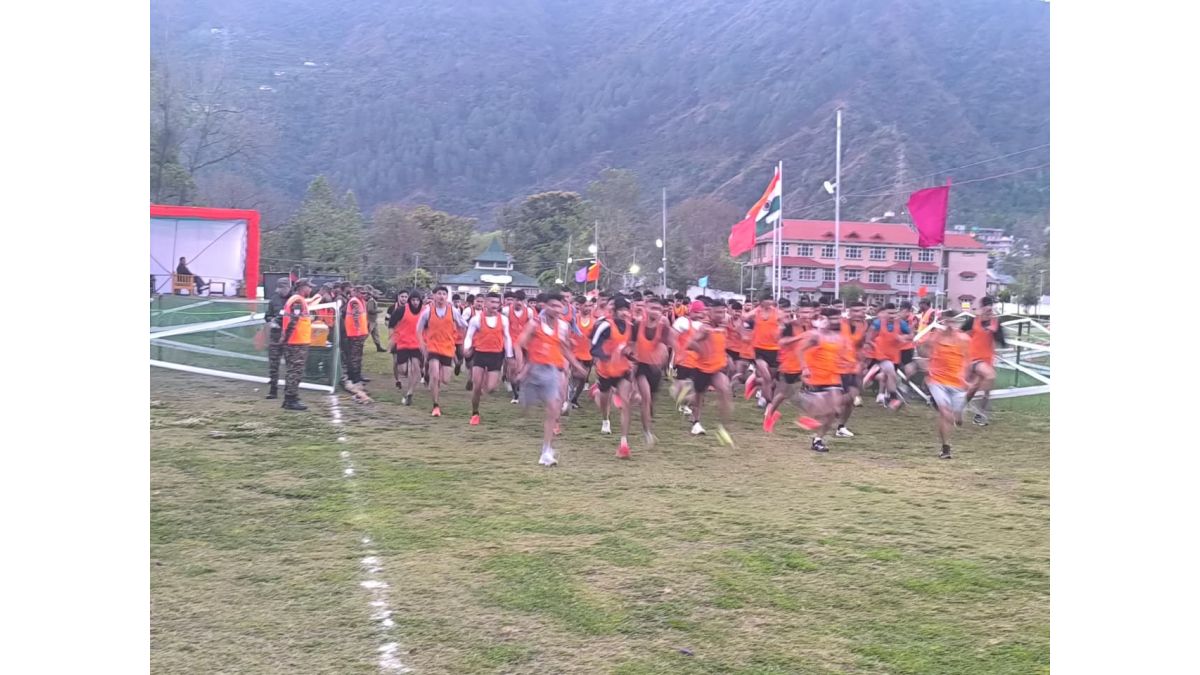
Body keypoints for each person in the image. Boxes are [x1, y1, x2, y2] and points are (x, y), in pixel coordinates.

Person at [516, 292, 583, 466]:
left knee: (554, 408)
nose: (556, 309)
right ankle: (525, 402)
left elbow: (564, 348)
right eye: (552, 305)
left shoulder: (563, 326)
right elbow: (520, 343)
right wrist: (522, 366)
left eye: (559, 306)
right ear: (544, 306)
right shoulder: (534, 324)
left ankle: (546, 451)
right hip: (534, 369)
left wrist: (576, 365)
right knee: (527, 407)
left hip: (552, 369)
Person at [918, 309, 971, 458]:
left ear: (957, 323)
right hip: (937, 380)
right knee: (945, 412)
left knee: (954, 415)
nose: (949, 325)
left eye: (952, 322)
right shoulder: (935, 336)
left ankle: (957, 414)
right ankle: (945, 448)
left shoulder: (964, 339)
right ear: (941, 322)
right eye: (946, 322)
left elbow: (968, 360)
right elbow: (922, 350)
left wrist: (966, 377)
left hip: (957, 382)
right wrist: (926, 358)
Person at [796, 308, 849, 452]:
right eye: (832, 319)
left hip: (833, 377)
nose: (835, 322)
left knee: (835, 410)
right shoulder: (816, 336)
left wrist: (844, 363)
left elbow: (839, 354)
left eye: (837, 319)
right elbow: (800, 350)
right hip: (816, 377)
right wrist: (804, 368)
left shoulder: (839, 337)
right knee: (823, 411)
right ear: (824, 319)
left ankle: (818, 439)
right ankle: (808, 416)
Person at [591, 296, 637, 458]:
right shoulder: (605, 325)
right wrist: (606, 357)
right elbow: (594, 347)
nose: (625, 313)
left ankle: (624, 443)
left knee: (625, 402)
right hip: (606, 370)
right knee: (605, 399)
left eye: (627, 310)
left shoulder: (631, 327)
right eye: (622, 310)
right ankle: (605, 420)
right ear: (615, 311)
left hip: (623, 369)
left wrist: (630, 355)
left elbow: (631, 347)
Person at [685, 300, 735, 446]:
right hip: (701, 369)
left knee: (725, 391)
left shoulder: (722, 327)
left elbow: (719, 345)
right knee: (699, 398)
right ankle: (696, 422)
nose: (721, 315)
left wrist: (727, 357)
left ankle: (724, 427)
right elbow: (690, 344)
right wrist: (701, 351)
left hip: (716, 370)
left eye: (723, 312)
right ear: (710, 312)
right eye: (718, 312)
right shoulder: (705, 329)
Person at [416, 286, 467, 417]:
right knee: (435, 376)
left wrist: (464, 340)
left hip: (448, 348)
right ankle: (436, 405)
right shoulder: (428, 311)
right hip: (432, 347)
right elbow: (419, 329)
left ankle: (430, 376)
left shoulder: (453, 311)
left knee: (445, 379)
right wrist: (422, 345)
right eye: (439, 293)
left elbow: (464, 325)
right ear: (434, 295)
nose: (441, 296)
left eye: (444, 294)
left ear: (447, 296)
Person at [464, 292, 514, 425]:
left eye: (497, 302)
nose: (494, 305)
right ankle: (475, 413)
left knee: (491, 388)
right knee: (476, 387)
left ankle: (485, 382)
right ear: (485, 303)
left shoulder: (503, 320)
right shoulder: (476, 319)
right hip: (480, 354)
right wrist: (467, 348)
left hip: (496, 355)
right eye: (492, 302)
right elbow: (469, 335)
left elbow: (507, 337)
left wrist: (509, 355)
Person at [632, 297, 671, 448]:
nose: (655, 312)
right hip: (641, 365)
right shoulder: (637, 324)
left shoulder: (664, 326)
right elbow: (631, 344)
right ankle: (647, 433)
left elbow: (667, 345)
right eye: (652, 308)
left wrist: (664, 358)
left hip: (656, 367)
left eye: (658, 309)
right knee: (646, 398)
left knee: (651, 401)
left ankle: (648, 420)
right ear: (646, 308)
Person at [963, 296, 1006, 425]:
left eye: (990, 306)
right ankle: (978, 411)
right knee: (990, 376)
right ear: (982, 308)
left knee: (976, 388)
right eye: (986, 306)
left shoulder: (996, 322)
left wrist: (995, 332)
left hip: (987, 360)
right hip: (974, 359)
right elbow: (960, 332)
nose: (989, 309)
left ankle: (972, 413)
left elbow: (1002, 342)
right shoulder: (973, 320)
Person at [278, 278, 314, 411]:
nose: (310, 289)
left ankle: (291, 397)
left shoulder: (297, 299)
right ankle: (290, 400)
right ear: (302, 287)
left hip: (296, 341)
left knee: (293, 371)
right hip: (296, 342)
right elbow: (293, 321)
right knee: (295, 371)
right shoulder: (297, 301)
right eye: (309, 287)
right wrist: (286, 339)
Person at [745, 296, 783, 406]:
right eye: (765, 301)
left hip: (774, 349)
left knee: (771, 379)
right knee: (766, 377)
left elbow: (785, 325)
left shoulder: (778, 313)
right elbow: (745, 317)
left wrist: (780, 332)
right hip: (759, 348)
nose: (768, 303)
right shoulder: (757, 312)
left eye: (770, 301)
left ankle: (762, 394)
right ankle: (769, 403)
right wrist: (756, 308)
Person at [389, 291, 424, 406]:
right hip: (403, 343)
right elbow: (391, 324)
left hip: (417, 344)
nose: (415, 302)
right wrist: (392, 339)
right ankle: (408, 374)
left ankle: (410, 393)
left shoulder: (424, 311)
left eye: (417, 300)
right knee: (402, 370)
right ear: (410, 301)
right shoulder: (401, 310)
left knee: (416, 369)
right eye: (413, 300)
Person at [263, 278, 292, 400]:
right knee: (274, 363)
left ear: (288, 287)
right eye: (279, 288)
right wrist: (272, 320)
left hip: (290, 336)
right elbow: (267, 315)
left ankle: (289, 390)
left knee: (291, 364)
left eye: (283, 288)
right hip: (275, 335)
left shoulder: (294, 299)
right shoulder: (274, 299)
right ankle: (273, 390)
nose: (281, 291)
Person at [503, 291, 532, 404]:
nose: (519, 303)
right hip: (510, 343)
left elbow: (531, 328)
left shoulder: (529, 312)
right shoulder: (506, 311)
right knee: (513, 368)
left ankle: (519, 387)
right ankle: (515, 393)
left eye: (521, 300)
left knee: (522, 367)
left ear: (524, 301)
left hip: (524, 343)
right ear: (513, 300)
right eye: (516, 300)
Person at [568, 299, 596, 409]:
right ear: (580, 306)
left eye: (590, 306)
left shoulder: (594, 322)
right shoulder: (574, 319)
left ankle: (574, 399)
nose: (588, 308)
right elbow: (567, 333)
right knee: (575, 376)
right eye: (585, 306)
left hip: (588, 354)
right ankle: (568, 398)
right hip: (574, 353)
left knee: (583, 378)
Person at [341, 286, 370, 386]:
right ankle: (354, 377)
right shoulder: (355, 301)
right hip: (355, 334)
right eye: (362, 293)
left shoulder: (361, 301)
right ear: (356, 292)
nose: (364, 295)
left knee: (358, 355)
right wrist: (358, 328)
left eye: (365, 293)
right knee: (354, 356)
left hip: (359, 333)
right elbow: (356, 316)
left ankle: (357, 375)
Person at [366, 286, 386, 352]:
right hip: (370, 320)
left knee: (376, 334)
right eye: (378, 294)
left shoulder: (373, 300)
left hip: (373, 320)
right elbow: (370, 310)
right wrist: (378, 311)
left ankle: (378, 347)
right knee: (366, 334)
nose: (379, 296)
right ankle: (359, 346)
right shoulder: (371, 301)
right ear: (374, 294)